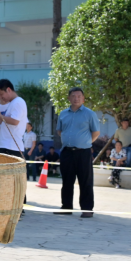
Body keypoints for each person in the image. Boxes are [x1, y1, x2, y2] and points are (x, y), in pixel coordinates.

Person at [55, 87, 100, 217]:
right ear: (69, 98)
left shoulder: (89, 114)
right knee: (67, 181)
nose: (76, 98)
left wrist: (85, 143)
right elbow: (59, 131)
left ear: (83, 98)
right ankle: (66, 207)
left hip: (83, 152)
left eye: (79, 96)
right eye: (73, 96)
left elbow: (96, 132)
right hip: (67, 152)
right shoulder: (63, 114)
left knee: (85, 181)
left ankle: (87, 209)